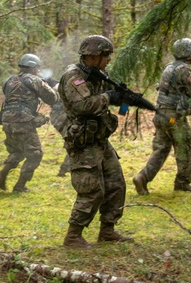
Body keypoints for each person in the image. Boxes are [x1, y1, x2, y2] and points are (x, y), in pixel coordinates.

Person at [57, 34, 134, 248]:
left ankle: (107, 230)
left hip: (99, 138)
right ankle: (73, 236)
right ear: (94, 56)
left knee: (116, 183)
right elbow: (82, 106)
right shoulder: (74, 77)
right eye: (106, 55)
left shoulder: (98, 74)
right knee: (91, 189)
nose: (109, 59)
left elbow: (103, 101)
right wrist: (108, 97)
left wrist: (121, 98)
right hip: (83, 141)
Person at [133, 38, 191, 195]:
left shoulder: (169, 67)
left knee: (161, 149)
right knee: (185, 146)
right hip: (173, 117)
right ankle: (182, 183)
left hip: (161, 115)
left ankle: (142, 177)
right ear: (188, 53)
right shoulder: (184, 70)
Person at [0, 54, 59, 193]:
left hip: (7, 119)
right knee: (35, 153)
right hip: (22, 120)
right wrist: (52, 87)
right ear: (32, 67)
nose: (38, 70)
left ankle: (2, 174)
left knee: (18, 151)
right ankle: (19, 186)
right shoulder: (35, 80)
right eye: (37, 67)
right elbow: (52, 99)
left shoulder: (9, 80)